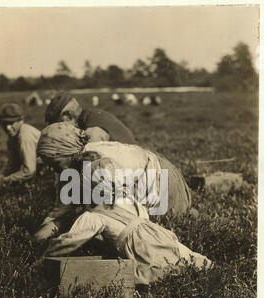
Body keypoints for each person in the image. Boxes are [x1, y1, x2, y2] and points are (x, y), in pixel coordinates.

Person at [45, 158, 211, 286]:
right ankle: (205, 266)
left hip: (141, 247)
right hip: (160, 236)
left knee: (153, 271)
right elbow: (142, 222)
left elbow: (70, 240)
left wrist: (45, 255)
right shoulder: (132, 201)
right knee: (184, 256)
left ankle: (178, 276)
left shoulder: (95, 216)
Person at [32, 122, 192, 242]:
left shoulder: (100, 165)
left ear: (69, 153)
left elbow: (120, 213)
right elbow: (59, 210)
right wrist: (38, 236)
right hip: (143, 175)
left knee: (159, 225)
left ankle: (189, 208)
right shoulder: (72, 164)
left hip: (163, 181)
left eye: (54, 164)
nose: (53, 170)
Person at [45, 90, 136, 144]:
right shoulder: (91, 115)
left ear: (69, 115)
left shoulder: (92, 131)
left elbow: (89, 166)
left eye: (60, 124)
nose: (61, 129)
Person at [0, 103, 41, 189]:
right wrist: (1, 176)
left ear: (21, 120)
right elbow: (14, 164)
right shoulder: (13, 137)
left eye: (11, 123)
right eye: (4, 123)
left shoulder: (25, 136)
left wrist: (4, 181)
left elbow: (30, 171)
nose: (7, 127)